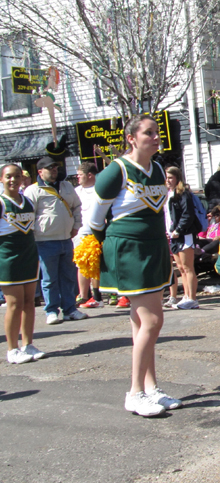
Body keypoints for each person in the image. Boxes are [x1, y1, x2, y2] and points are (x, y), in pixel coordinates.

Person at [85, 114, 182, 416]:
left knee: (142, 324)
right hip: (129, 251)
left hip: (155, 249)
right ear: (131, 138)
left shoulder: (156, 170)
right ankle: (134, 392)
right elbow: (94, 220)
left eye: (157, 132)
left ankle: (151, 388)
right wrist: (110, 249)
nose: (156, 137)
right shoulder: (116, 171)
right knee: (153, 322)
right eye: (148, 133)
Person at [25, 156, 86, 325]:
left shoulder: (66, 186)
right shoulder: (33, 190)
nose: (54, 170)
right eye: (49, 168)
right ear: (40, 171)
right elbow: (29, 216)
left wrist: (76, 225)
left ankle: (70, 309)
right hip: (44, 241)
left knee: (68, 276)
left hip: (66, 238)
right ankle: (51, 311)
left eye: (55, 168)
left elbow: (77, 206)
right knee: (49, 279)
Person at [1, 163, 45, 364]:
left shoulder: (27, 200)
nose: (13, 180)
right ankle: (12, 349)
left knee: (29, 302)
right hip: (8, 258)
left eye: (17, 176)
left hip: (29, 255)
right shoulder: (1, 202)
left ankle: (28, 344)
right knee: (14, 304)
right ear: (1, 179)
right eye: (9, 176)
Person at [164, 166, 199, 310]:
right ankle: (185, 295)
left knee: (187, 267)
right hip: (173, 235)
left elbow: (187, 214)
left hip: (184, 234)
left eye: (171, 177)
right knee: (180, 268)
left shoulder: (183, 193)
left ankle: (192, 298)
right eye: (166, 178)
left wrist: (179, 229)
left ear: (177, 178)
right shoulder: (168, 194)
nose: (168, 181)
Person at [74, 163, 104, 308]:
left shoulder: (100, 189)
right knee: (82, 264)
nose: (77, 177)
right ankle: (83, 295)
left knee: (96, 264)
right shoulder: (76, 191)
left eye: (80, 174)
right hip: (81, 232)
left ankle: (98, 296)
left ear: (90, 175)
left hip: (97, 232)